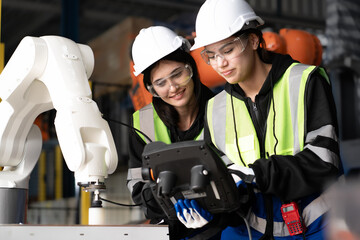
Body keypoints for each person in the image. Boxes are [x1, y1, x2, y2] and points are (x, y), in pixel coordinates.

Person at [188, 0, 343, 239]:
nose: (220, 64)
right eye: (211, 55)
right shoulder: (215, 108)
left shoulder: (304, 81)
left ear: (252, 40)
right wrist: (209, 208)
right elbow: (223, 180)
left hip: (317, 224)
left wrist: (257, 174)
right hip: (251, 231)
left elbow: (325, 161)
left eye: (227, 50)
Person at [126, 26, 216, 239]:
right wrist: (174, 205)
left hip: (224, 227)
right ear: (151, 88)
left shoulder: (224, 108)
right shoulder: (143, 122)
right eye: (160, 83)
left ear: (191, 68)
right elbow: (137, 187)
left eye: (177, 75)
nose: (173, 87)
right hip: (168, 229)